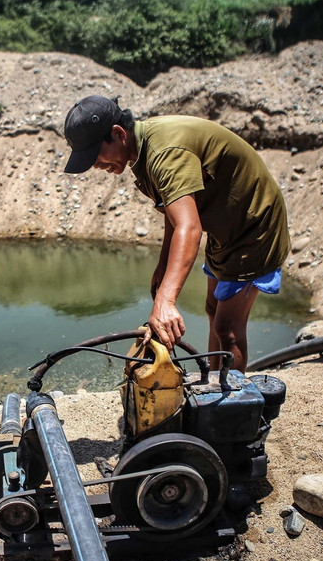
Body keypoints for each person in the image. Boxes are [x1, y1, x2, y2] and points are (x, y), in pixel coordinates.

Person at [63, 95, 290, 372]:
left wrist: (165, 301)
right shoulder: (141, 151)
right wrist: (163, 264)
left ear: (118, 134)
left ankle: (234, 407)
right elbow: (175, 210)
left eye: (95, 155)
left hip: (254, 225)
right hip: (225, 228)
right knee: (212, 308)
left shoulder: (164, 153)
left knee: (228, 328)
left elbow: (189, 227)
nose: (95, 164)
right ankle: (214, 386)